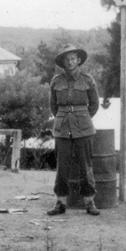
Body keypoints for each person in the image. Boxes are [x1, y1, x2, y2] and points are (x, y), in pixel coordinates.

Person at [46, 44, 101, 216]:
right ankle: (61, 202)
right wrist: (65, 118)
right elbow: (53, 106)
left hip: (83, 129)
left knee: (86, 166)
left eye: (73, 59)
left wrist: (81, 118)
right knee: (62, 167)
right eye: (66, 59)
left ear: (78, 60)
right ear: (63, 62)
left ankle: (89, 202)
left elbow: (94, 105)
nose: (70, 62)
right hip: (62, 129)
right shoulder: (56, 81)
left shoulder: (87, 79)